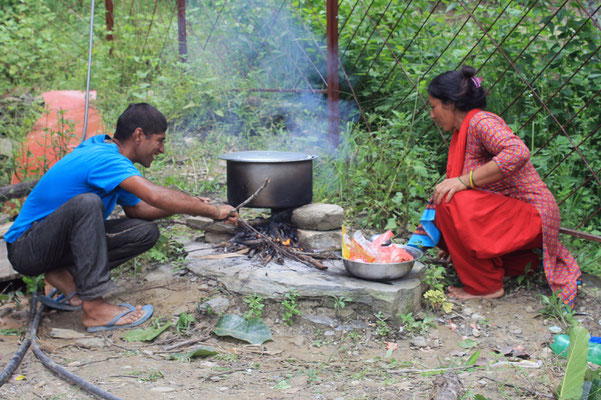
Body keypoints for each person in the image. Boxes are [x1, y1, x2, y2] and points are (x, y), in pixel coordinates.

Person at [3, 103, 239, 332]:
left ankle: (66, 276)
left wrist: (190, 204)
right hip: (27, 247)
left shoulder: (110, 154)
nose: (162, 149)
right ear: (139, 135)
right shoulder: (106, 159)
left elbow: (139, 210)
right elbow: (154, 195)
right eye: (159, 140)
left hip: (50, 245)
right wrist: (214, 211)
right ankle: (94, 309)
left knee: (144, 232)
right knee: (87, 203)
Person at [409, 66, 580, 307]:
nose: (432, 114)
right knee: (448, 195)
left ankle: (485, 287)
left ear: (449, 104)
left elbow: (517, 152)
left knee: (450, 197)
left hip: (532, 215)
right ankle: (503, 268)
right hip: (513, 218)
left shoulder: (480, 121)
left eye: (433, 106)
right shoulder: (464, 129)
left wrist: (463, 181)